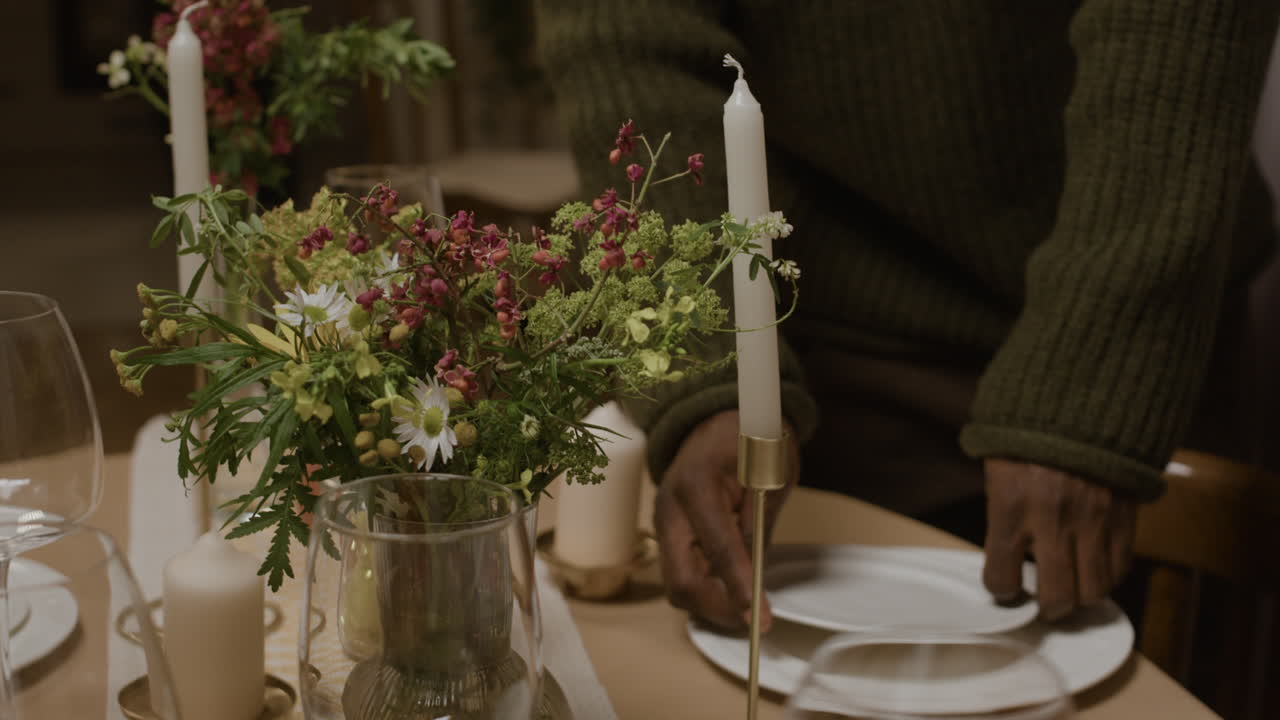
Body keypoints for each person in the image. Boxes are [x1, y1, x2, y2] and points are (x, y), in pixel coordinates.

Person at [534, 0, 1280, 630]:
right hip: (812, 346)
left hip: (1113, 326)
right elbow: (627, 38)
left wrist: (1094, 372)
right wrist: (706, 369)